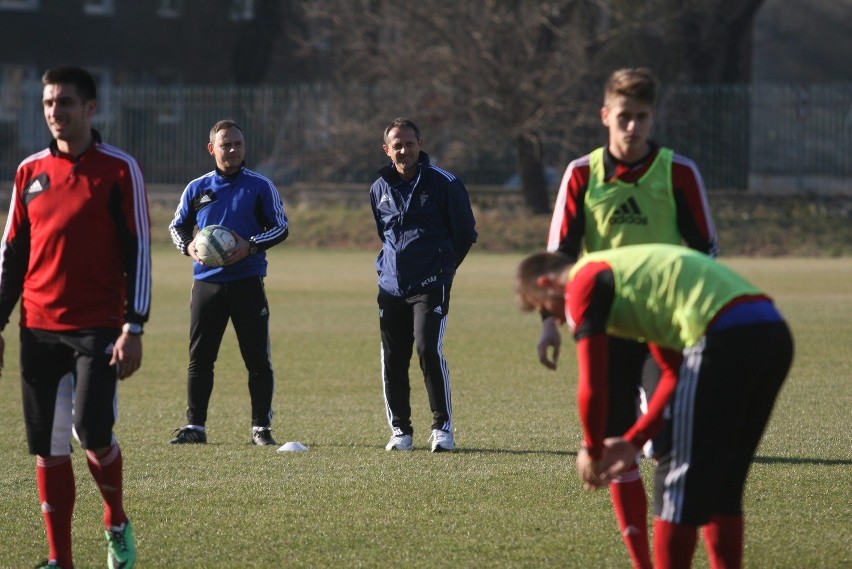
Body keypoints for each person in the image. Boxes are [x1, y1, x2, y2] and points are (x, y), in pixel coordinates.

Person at [537, 67, 719, 568]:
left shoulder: (677, 171)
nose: (633, 128)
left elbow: (705, 250)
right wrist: (548, 323)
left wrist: (699, 319)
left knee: (668, 447)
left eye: (641, 117)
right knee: (615, 447)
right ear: (605, 116)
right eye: (623, 117)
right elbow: (559, 257)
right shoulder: (582, 174)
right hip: (607, 329)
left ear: (652, 116)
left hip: (664, 327)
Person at [516, 244, 794, 569]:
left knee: (675, 477)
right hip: (772, 331)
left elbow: (594, 383)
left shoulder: (583, 280)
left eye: (546, 308)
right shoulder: (636, 288)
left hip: (720, 336)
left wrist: (592, 449)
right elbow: (673, 374)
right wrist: (633, 440)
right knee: (724, 486)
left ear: (549, 284)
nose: (558, 321)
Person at [0, 66, 150, 569]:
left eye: (65, 102)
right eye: (47, 104)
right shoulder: (29, 172)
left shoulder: (119, 169)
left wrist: (135, 326)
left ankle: (115, 519)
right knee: (49, 446)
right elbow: (12, 255)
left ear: (90, 108)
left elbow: (139, 252)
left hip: (98, 328)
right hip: (38, 327)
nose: (54, 112)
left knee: (93, 430)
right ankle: (59, 560)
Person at [168, 119, 289, 446]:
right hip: (206, 286)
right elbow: (177, 228)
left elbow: (280, 228)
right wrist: (190, 246)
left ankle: (261, 428)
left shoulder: (260, 186)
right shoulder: (197, 188)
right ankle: (196, 427)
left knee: (257, 359)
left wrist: (249, 245)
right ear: (212, 149)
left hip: (247, 283)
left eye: (238, 144)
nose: (233, 150)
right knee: (200, 358)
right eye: (226, 145)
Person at [370, 117, 478, 453]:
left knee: (427, 349)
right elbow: (384, 234)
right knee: (393, 357)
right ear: (387, 150)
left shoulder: (445, 183)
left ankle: (442, 428)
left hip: (431, 285)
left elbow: (465, 233)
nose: (404, 150)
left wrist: (443, 270)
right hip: (390, 288)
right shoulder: (378, 188)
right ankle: (401, 431)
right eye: (397, 145)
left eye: (409, 143)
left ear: (420, 144)